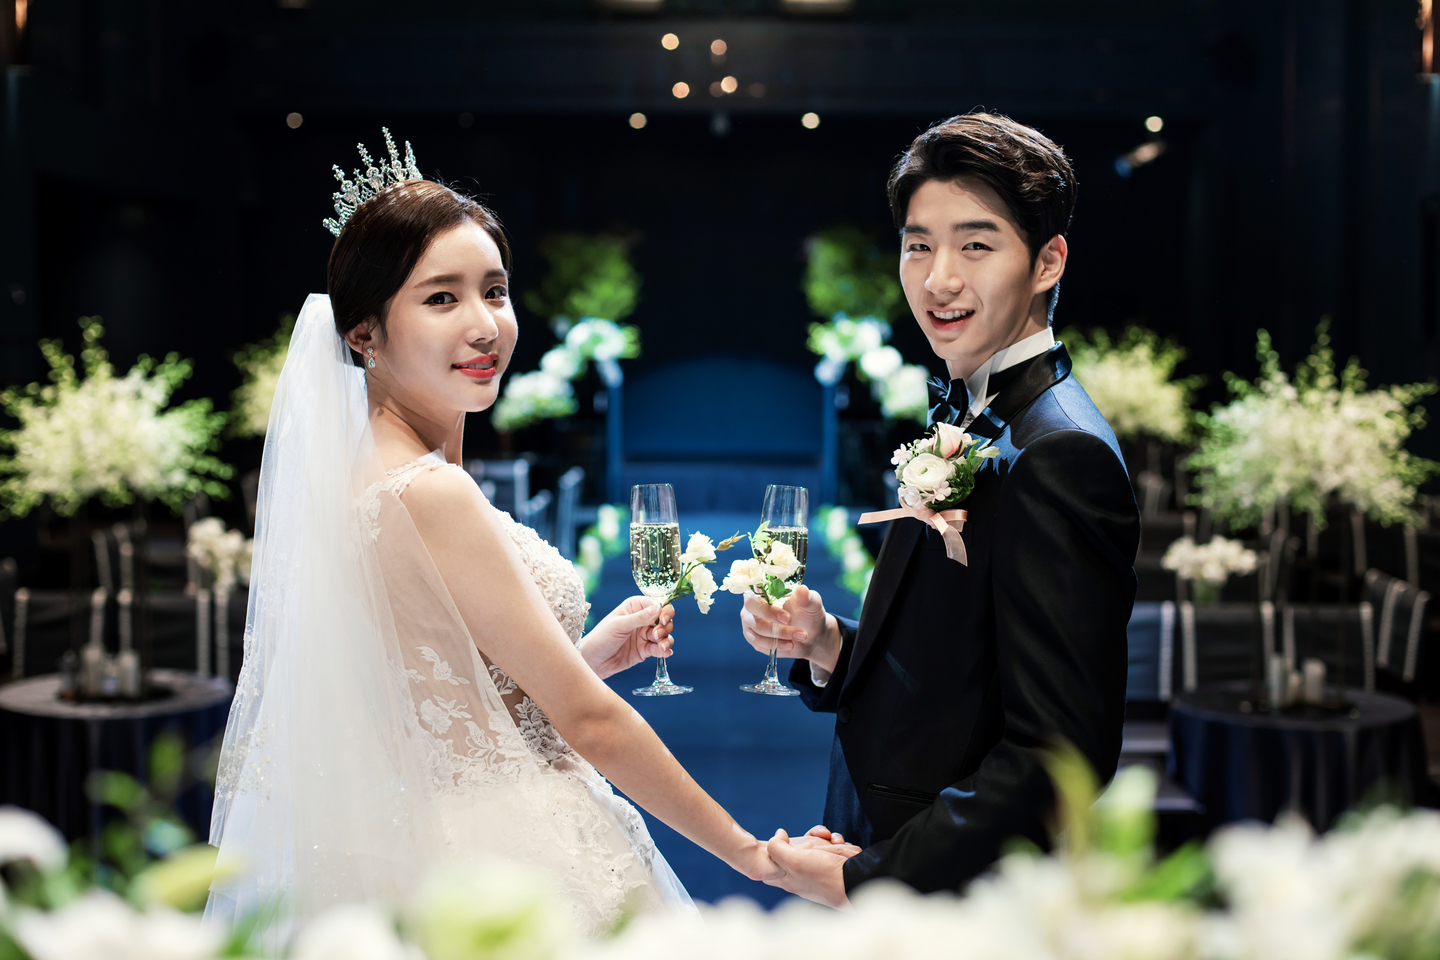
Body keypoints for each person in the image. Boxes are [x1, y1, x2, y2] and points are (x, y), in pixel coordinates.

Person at [206, 132, 851, 944]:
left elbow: (437, 698)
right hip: (508, 854)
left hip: (429, 839)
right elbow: (591, 725)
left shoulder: (374, 471)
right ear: (365, 332)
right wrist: (753, 854)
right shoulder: (429, 489)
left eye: (496, 292)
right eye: (442, 298)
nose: (486, 326)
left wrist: (586, 654)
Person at [750, 113, 1141, 907]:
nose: (938, 279)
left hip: (966, 890)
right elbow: (959, 671)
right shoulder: (971, 413)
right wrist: (826, 643)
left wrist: (872, 879)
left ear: (1047, 261)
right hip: (898, 835)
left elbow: (1058, 752)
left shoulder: (1059, 451)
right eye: (918, 244)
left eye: (976, 244)